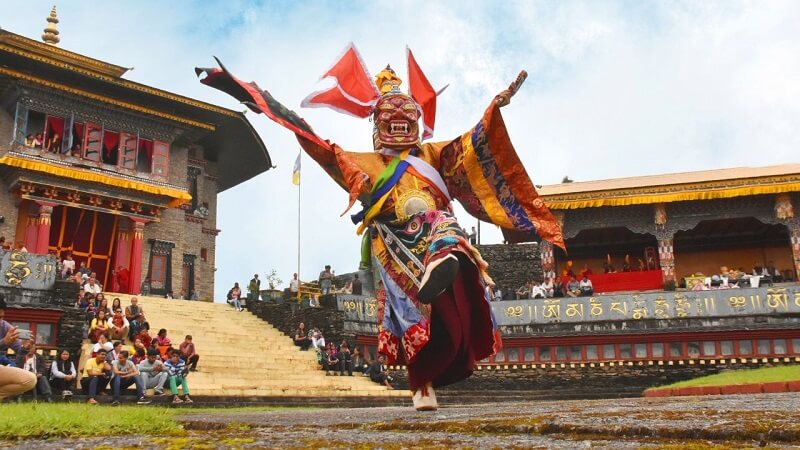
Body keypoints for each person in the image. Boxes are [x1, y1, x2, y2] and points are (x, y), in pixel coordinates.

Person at [199, 54, 564, 411]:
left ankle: (442, 262)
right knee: (410, 315)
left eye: (407, 116)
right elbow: (316, 143)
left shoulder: (433, 155)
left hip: (435, 237)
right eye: (391, 116)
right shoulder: (364, 163)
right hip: (393, 244)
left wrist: (493, 110)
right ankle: (421, 385)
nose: (400, 122)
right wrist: (257, 98)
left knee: (444, 243)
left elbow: (471, 145)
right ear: (376, 124)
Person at [0, 296, 37, 400]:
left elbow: (19, 351)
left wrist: (25, 347)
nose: (0, 320)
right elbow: (4, 342)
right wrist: (4, 342)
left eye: (1, 317)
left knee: (30, 379)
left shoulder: (4, 326)